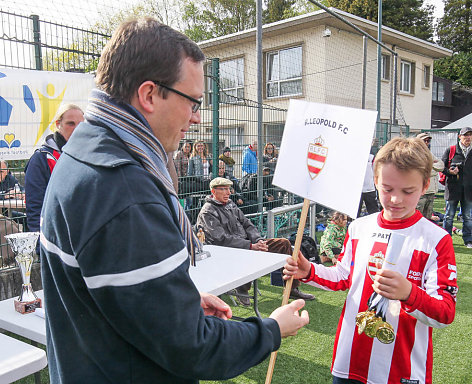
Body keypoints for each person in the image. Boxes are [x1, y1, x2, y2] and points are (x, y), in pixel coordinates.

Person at [40, 18, 308, 384]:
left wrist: (171, 298)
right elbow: (191, 347)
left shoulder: (84, 152)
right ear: (149, 94)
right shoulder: (124, 187)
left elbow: (103, 288)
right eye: (193, 102)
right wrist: (271, 330)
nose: (197, 118)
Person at [283, 137, 457, 384]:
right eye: (387, 189)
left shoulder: (436, 240)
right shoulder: (359, 228)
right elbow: (344, 276)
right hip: (349, 362)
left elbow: (445, 313)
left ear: (425, 185)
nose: (395, 199)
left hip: (402, 371)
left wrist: (409, 292)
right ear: (375, 181)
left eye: (408, 191)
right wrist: (309, 270)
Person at [196, 176, 315, 305]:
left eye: (229, 189)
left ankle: (292, 288)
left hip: (248, 245)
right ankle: (242, 290)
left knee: (284, 244)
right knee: (246, 254)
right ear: (213, 192)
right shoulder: (207, 212)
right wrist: (251, 246)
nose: (229, 192)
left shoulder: (230, 204)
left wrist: (259, 241)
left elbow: (247, 224)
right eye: (224, 189)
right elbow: (221, 239)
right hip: (228, 251)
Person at [25, 103, 84, 254]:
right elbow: (35, 208)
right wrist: (42, 249)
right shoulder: (41, 159)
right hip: (55, 244)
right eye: (70, 123)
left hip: (84, 242)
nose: (77, 128)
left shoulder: (89, 156)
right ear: (58, 125)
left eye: (81, 124)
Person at [441, 126, 472, 247]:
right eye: (465, 135)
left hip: (469, 191)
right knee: (448, 216)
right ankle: (446, 239)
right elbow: (441, 167)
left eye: (470, 135)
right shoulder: (451, 150)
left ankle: (468, 240)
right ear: (460, 136)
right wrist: (450, 172)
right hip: (453, 189)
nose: (468, 137)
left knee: (468, 217)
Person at [416, 132, 444, 220]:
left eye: (428, 141)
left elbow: (441, 165)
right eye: (424, 140)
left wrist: (430, 165)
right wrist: (432, 167)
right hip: (420, 192)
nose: (426, 143)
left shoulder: (429, 153)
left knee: (427, 218)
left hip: (431, 191)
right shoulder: (413, 153)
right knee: (417, 218)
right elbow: (420, 171)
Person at [357, 152, 379, 217]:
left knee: (373, 212)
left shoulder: (371, 157)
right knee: (355, 213)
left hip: (369, 189)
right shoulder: (354, 156)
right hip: (357, 190)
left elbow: (376, 172)